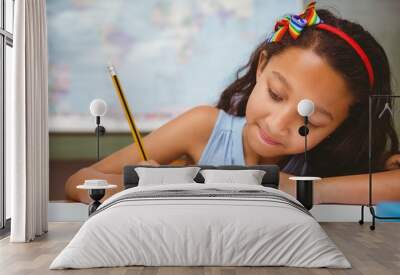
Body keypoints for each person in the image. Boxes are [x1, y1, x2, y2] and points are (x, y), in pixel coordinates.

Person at [65, 2, 400, 205]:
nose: (278, 124)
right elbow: (78, 181)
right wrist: (135, 184)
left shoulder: (329, 162)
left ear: (344, 123)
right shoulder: (203, 127)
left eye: (309, 121)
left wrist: (305, 190)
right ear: (262, 66)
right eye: (275, 94)